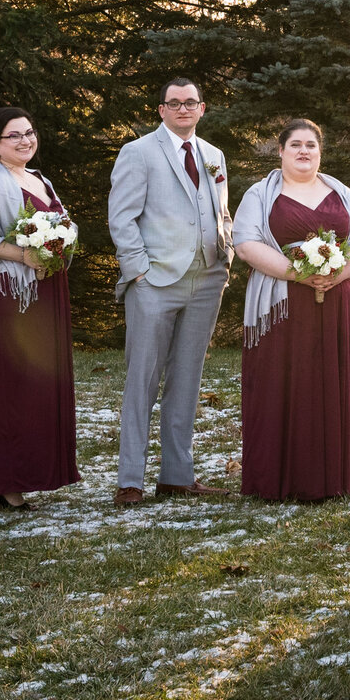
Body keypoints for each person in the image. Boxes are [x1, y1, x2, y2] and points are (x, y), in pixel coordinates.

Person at [230, 120, 350, 501]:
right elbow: (245, 243)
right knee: (282, 381)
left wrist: (340, 271)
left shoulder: (340, 192)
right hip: (281, 306)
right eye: (295, 144)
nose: (304, 151)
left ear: (320, 151)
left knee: (333, 380)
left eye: (311, 145)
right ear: (280, 151)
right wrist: (297, 273)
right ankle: (280, 479)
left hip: (337, 301)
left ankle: (338, 476)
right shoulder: (260, 195)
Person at [106, 78, 233, 506]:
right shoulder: (138, 152)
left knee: (187, 378)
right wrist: (138, 271)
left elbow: (221, 212)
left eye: (190, 102)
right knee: (142, 379)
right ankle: (130, 480)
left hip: (207, 279)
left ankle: (177, 474)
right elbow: (121, 219)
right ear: (160, 109)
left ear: (202, 108)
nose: (183, 109)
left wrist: (225, 257)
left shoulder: (213, 156)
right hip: (155, 282)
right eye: (173, 103)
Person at [0, 108, 82, 509]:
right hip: (4, 298)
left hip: (43, 293)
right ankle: (3, 481)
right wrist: (24, 256)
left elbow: (59, 225)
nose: (26, 140)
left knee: (36, 383)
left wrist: (58, 244)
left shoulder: (40, 180)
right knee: (6, 384)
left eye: (30, 132)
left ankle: (34, 471)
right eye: (14, 136)